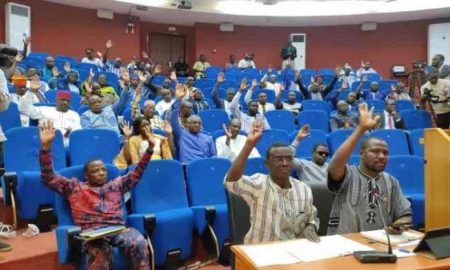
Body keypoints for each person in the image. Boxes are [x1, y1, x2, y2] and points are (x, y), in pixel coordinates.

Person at [39, 121, 151, 269]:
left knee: (138, 241)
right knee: (101, 251)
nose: (101, 173)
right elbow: (49, 178)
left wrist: (150, 149)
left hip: (117, 229)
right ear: (86, 175)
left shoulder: (116, 185)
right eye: (95, 171)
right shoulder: (75, 187)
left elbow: (137, 172)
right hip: (92, 235)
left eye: (103, 170)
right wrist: (46, 148)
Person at [224, 120, 319, 244]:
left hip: (294, 252)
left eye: (289, 159)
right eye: (279, 159)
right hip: (260, 252)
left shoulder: (304, 189)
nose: (285, 163)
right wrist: (249, 145)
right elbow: (232, 182)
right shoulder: (258, 183)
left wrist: (310, 228)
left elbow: (311, 217)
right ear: (267, 164)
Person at [327, 103, 412, 235]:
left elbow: (405, 213)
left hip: (382, 243)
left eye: (385, 153)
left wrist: (400, 225)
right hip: (345, 244)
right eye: (375, 151)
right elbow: (335, 164)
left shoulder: (391, 181)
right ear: (361, 154)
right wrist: (361, 129)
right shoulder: (347, 174)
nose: (381, 156)